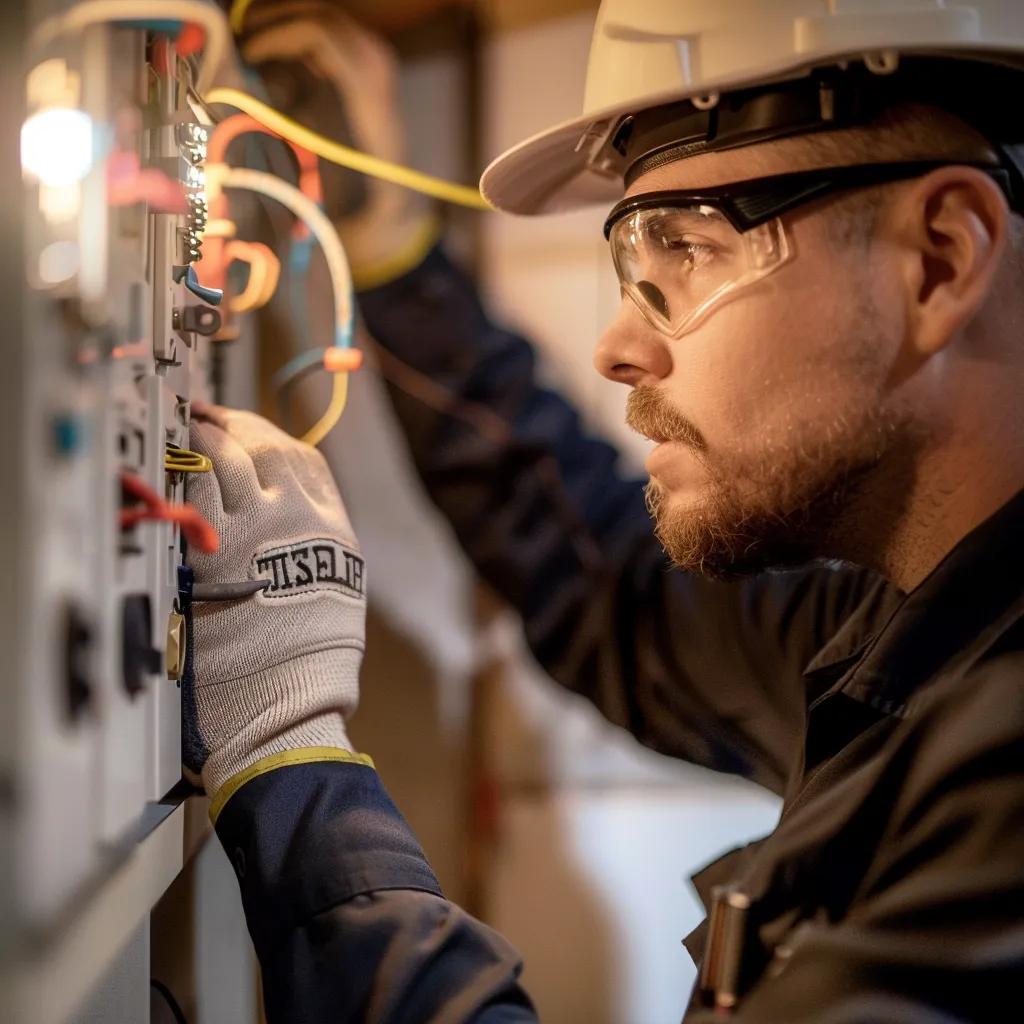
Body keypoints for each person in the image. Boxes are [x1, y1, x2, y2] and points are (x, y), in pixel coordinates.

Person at [186, 1, 1024, 1019]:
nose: (617, 346)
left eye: (688, 248)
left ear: (938, 256)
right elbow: (611, 590)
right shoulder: (892, 637)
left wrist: (290, 764)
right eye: (634, 259)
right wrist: (393, 254)